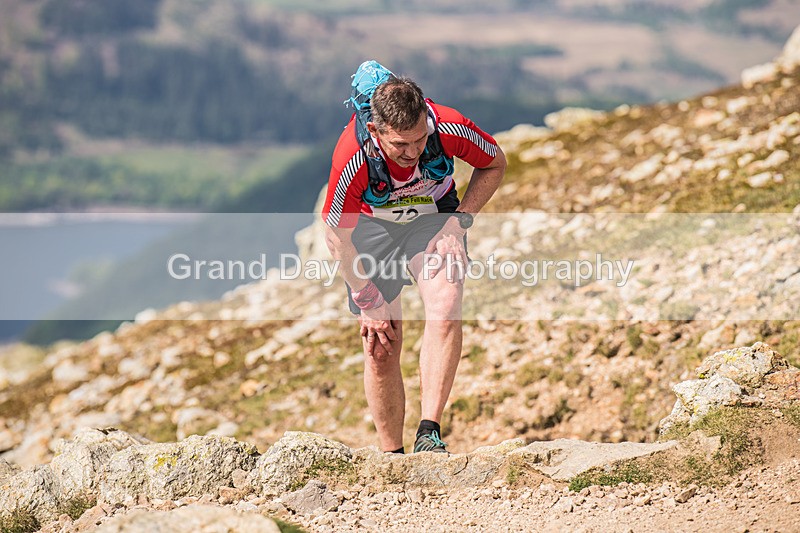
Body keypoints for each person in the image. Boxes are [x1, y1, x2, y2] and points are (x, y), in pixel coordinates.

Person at [321, 69, 506, 454]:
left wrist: (459, 221)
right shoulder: (352, 157)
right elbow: (337, 238)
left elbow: (494, 163)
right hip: (370, 229)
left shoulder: (450, 126)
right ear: (375, 130)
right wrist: (367, 300)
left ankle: (429, 432)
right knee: (381, 342)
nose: (413, 152)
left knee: (446, 303)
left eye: (421, 139)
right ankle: (392, 455)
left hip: (433, 215)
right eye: (401, 145)